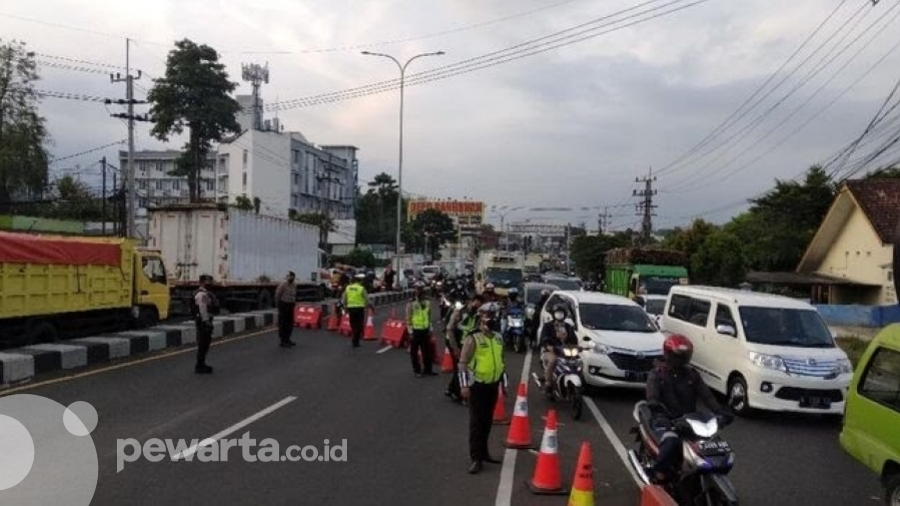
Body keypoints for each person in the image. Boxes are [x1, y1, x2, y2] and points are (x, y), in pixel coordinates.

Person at [645, 334, 733, 484]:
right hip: (665, 419)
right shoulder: (657, 374)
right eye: (678, 356)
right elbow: (652, 396)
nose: (682, 360)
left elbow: (708, 397)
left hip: (689, 420)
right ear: (668, 354)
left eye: (685, 356)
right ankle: (657, 473)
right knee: (672, 442)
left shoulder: (692, 375)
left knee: (709, 443)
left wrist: (720, 412)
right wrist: (655, 405)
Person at [459, 302, 507, 474]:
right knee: (476, 424)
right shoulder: (474, 338)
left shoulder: (499, 338)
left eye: (494, 316)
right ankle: (475, 458)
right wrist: (464, 385)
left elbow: (501, 362)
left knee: (487, 422)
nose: (492, 320)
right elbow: (463, 363)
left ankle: (485, 453)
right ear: (481, 318)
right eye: (488, 317)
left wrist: (503, 383)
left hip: (492, 385)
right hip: (477, 386)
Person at [444, 294, 485, 402]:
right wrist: (455, 348)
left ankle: (451, 389)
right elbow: (449, 329)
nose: (477, 307)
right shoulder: (460, 312)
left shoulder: (477, 315)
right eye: (476, 304)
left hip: (467, 345)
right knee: (460, 369)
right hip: (456, 343)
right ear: (471, 301)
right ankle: (457, 395)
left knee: (460, 368)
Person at [539, 304, 578, 395]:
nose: (559, 315)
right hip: (551, 352)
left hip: (565, 351)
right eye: (557, 313)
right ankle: (548, 383)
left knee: (577, 361)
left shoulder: (568, 327)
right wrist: (549, 346)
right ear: (553, 314)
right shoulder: (548, 326)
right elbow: (543, 339)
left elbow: (574, 340)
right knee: (553, 360)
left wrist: (578, 347)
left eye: (561, 313)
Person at [407, 282, 437, 377]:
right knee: (414, 352)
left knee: (427, 351)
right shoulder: (411, 302)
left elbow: (429, 316)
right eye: (417, 288)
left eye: (421, 288)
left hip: (425, 329)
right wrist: (410, 331)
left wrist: (430, 328)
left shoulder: (428, 302)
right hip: (415, 330)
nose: (419, 290)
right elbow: (408, 318)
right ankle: (417, 370)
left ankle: (428, 370)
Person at [192, 274, 219, 374]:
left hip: (205, 321)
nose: (210, 283)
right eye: (208, 281)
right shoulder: (201, 294)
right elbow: (202, 309)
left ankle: (201, 364)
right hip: (203, 323)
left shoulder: (207, 293)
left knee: (205, 344)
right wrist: (206, 322)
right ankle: (199, 366)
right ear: (202, 282)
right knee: (203, 344)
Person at [342, 273, 371, 348]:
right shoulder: (361, 288)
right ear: (360, 282)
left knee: (353, 324)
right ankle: (356, 340)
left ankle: (354, 337)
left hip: (351, 308)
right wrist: (370, 305)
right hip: (359, 308)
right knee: (359, 324)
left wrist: (345, 306)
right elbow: (367, 299)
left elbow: (344, 298)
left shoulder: (348, 288)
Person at [274, 271, 297, 348]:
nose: (291, 278)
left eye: (292, 277)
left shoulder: (294, 285)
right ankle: (283, 341)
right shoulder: (283, 285)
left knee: (290, 323)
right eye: (290, 276)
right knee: (283, 323)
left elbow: (294, 295)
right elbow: (277, 295)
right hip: (284, 304)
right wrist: (278, 305)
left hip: (291, 305)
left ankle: (288, 339)